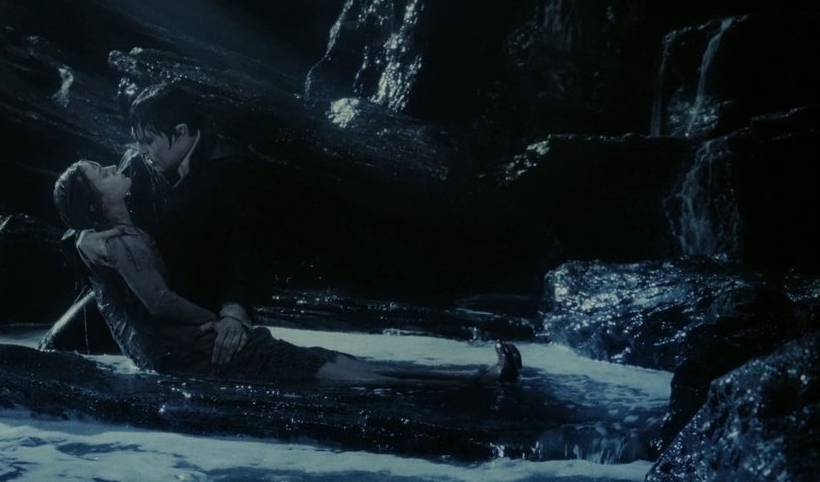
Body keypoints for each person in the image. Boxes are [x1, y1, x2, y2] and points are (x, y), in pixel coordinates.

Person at [53, 158, 523, 385]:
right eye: (102, 172)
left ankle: (468, 375)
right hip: (186, 346)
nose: (117, 163)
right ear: (96, 203)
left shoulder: (118, 227)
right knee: (323, 368)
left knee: (328, 359)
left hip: (184, 339)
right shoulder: (117, 240)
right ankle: (471, 380)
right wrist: (216, 321)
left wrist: (231, 316)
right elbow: (156, 301)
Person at [124, 83, 268, 369]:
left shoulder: (232, 170)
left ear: (180, 132)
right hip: (142, 292)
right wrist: (86, 236)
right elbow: (95, 203)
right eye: (137, 141)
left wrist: (235, 311)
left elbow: (244, 248)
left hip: (201, 303)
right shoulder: (140, 163)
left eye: (148, 141)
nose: (141, 151)